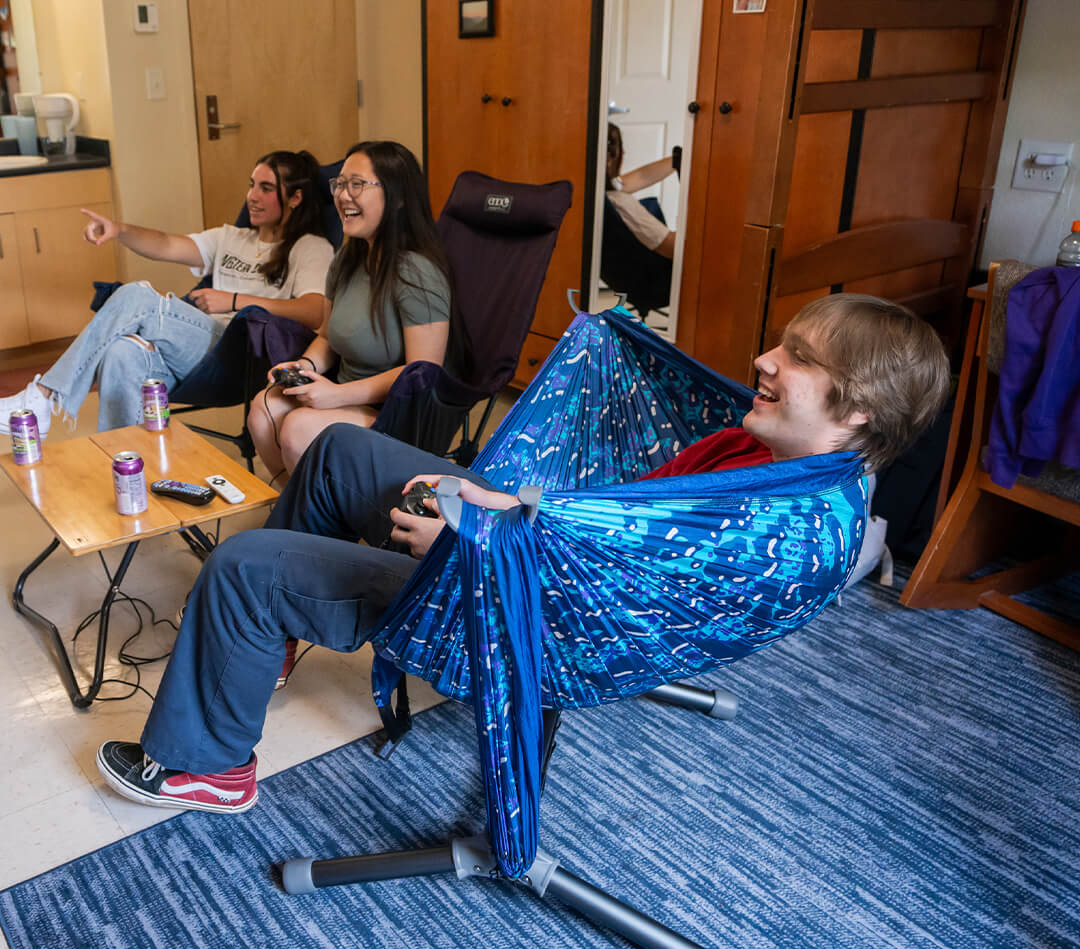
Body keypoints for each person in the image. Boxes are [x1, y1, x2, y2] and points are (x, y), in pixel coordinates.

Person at [94, 293, 951, 814]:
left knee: (245, 569)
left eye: (797, 359)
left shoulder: (785, 530)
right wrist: (496, 505)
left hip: (523, 618)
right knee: (336, 453)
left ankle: (209, 770)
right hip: (535, 549)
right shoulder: (775, 456)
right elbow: (616, 528)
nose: (764, 361)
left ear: (861, 410)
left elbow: (605, 610)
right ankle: (264, 638)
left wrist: (468, 541)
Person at [0, 151, 334, 437]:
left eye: (266, 188)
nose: (252, 196)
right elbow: (165, 243)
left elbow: (314, 310)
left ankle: (42, 396)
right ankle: (130, 466)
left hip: (238, 357)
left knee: (136, 297)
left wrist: (234, 301)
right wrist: (119, 230)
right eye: (251, 185)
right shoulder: (231, 238)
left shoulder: (310, 248)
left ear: (295, 198)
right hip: (196, 349)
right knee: (121, 352)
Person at [247, 140, 453, 483]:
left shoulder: (417, 272)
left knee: (298, 427)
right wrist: (306, 366)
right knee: (263, 408)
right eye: (340, 184)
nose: (343, 196)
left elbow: (423, 372)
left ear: (398, 197)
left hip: (393, 412)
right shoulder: (348, 257)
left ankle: (318, 519)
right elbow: (328, 333)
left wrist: (337, 395)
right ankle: (302, 510)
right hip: (342, 392)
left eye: (357, 184)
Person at [605, 123, 677, 260]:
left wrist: (679, 159)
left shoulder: (596, 191)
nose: (624, 153)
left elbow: (640, 176)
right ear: (609, 157)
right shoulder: (619, 203)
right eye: (620, 147)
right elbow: (674, 248)